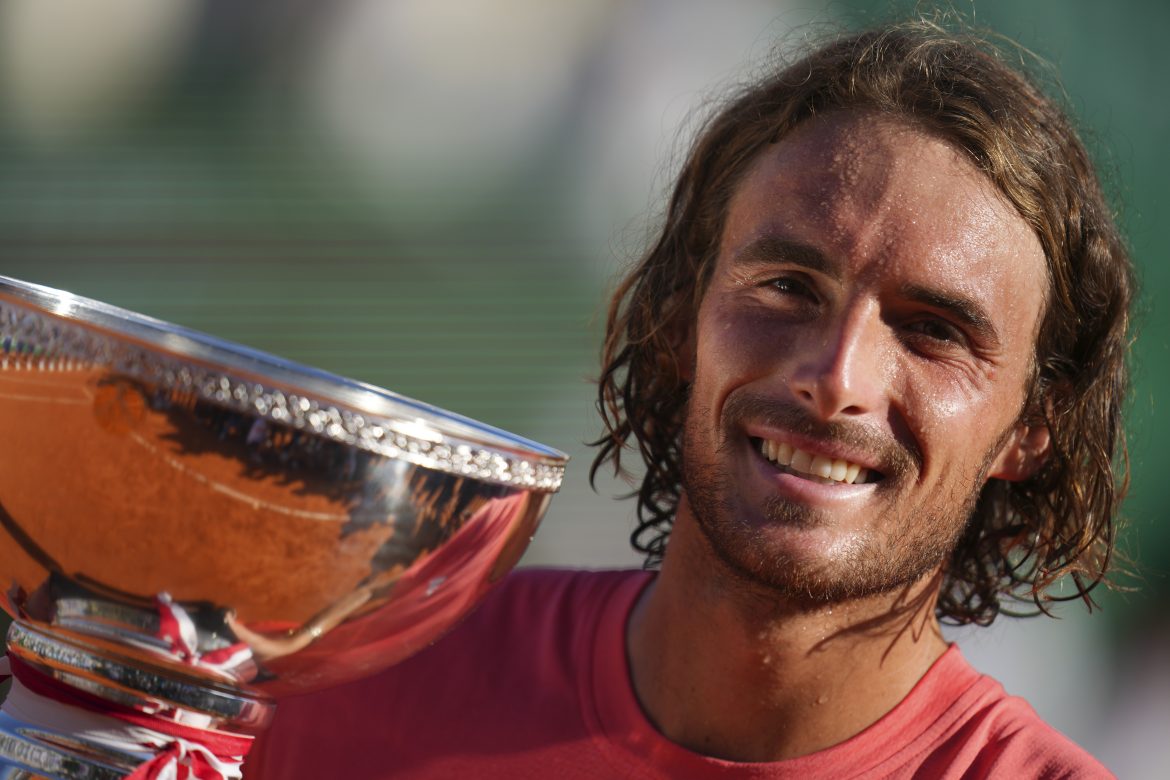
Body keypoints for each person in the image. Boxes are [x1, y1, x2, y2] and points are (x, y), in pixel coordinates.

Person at [246, 19, 1130, 779]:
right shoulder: (362, 682)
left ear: (1031, 426)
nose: (835, 375)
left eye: (933, 329)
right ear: (679, 321)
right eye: (787, 286)